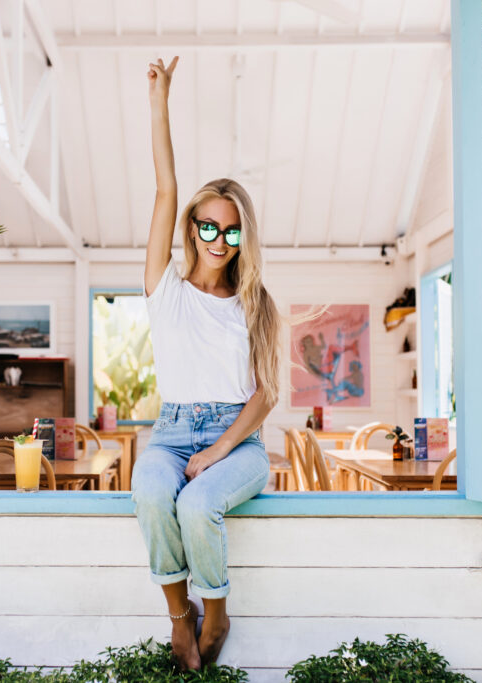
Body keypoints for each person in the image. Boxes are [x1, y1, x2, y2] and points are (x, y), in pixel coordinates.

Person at [130, 56, 281, 671]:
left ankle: (215, 609)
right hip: (170, 433)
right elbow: (165, 186)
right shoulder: (163, 286)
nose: (220, 239)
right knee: (149, 491)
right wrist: (159, 102)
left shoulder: (253, 302)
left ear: (245, 237)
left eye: (233, 231)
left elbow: (266, 394)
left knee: (197, 504)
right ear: (192, 228)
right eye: (209, 226)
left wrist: (218, 451)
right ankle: (178, 614)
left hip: (237, 442)